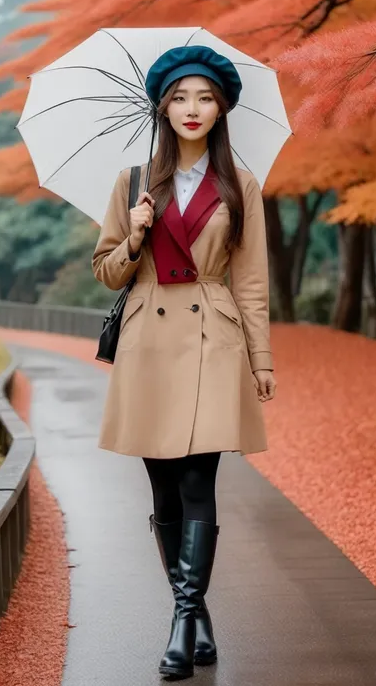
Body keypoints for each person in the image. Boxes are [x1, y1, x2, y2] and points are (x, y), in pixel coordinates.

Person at [92, 45, 277, 680]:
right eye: (178, 97)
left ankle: (180, 621)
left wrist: (262, 359)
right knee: (163, 489)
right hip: (149, 341)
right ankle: (194, 614)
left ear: (222, 107)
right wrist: (137, 231)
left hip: (212, 341)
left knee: (199, 482)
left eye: (204, 98)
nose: (191, 109)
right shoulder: (131, 182)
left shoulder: (240, 183)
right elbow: (106, 271)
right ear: (162, 107)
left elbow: (250, 281)